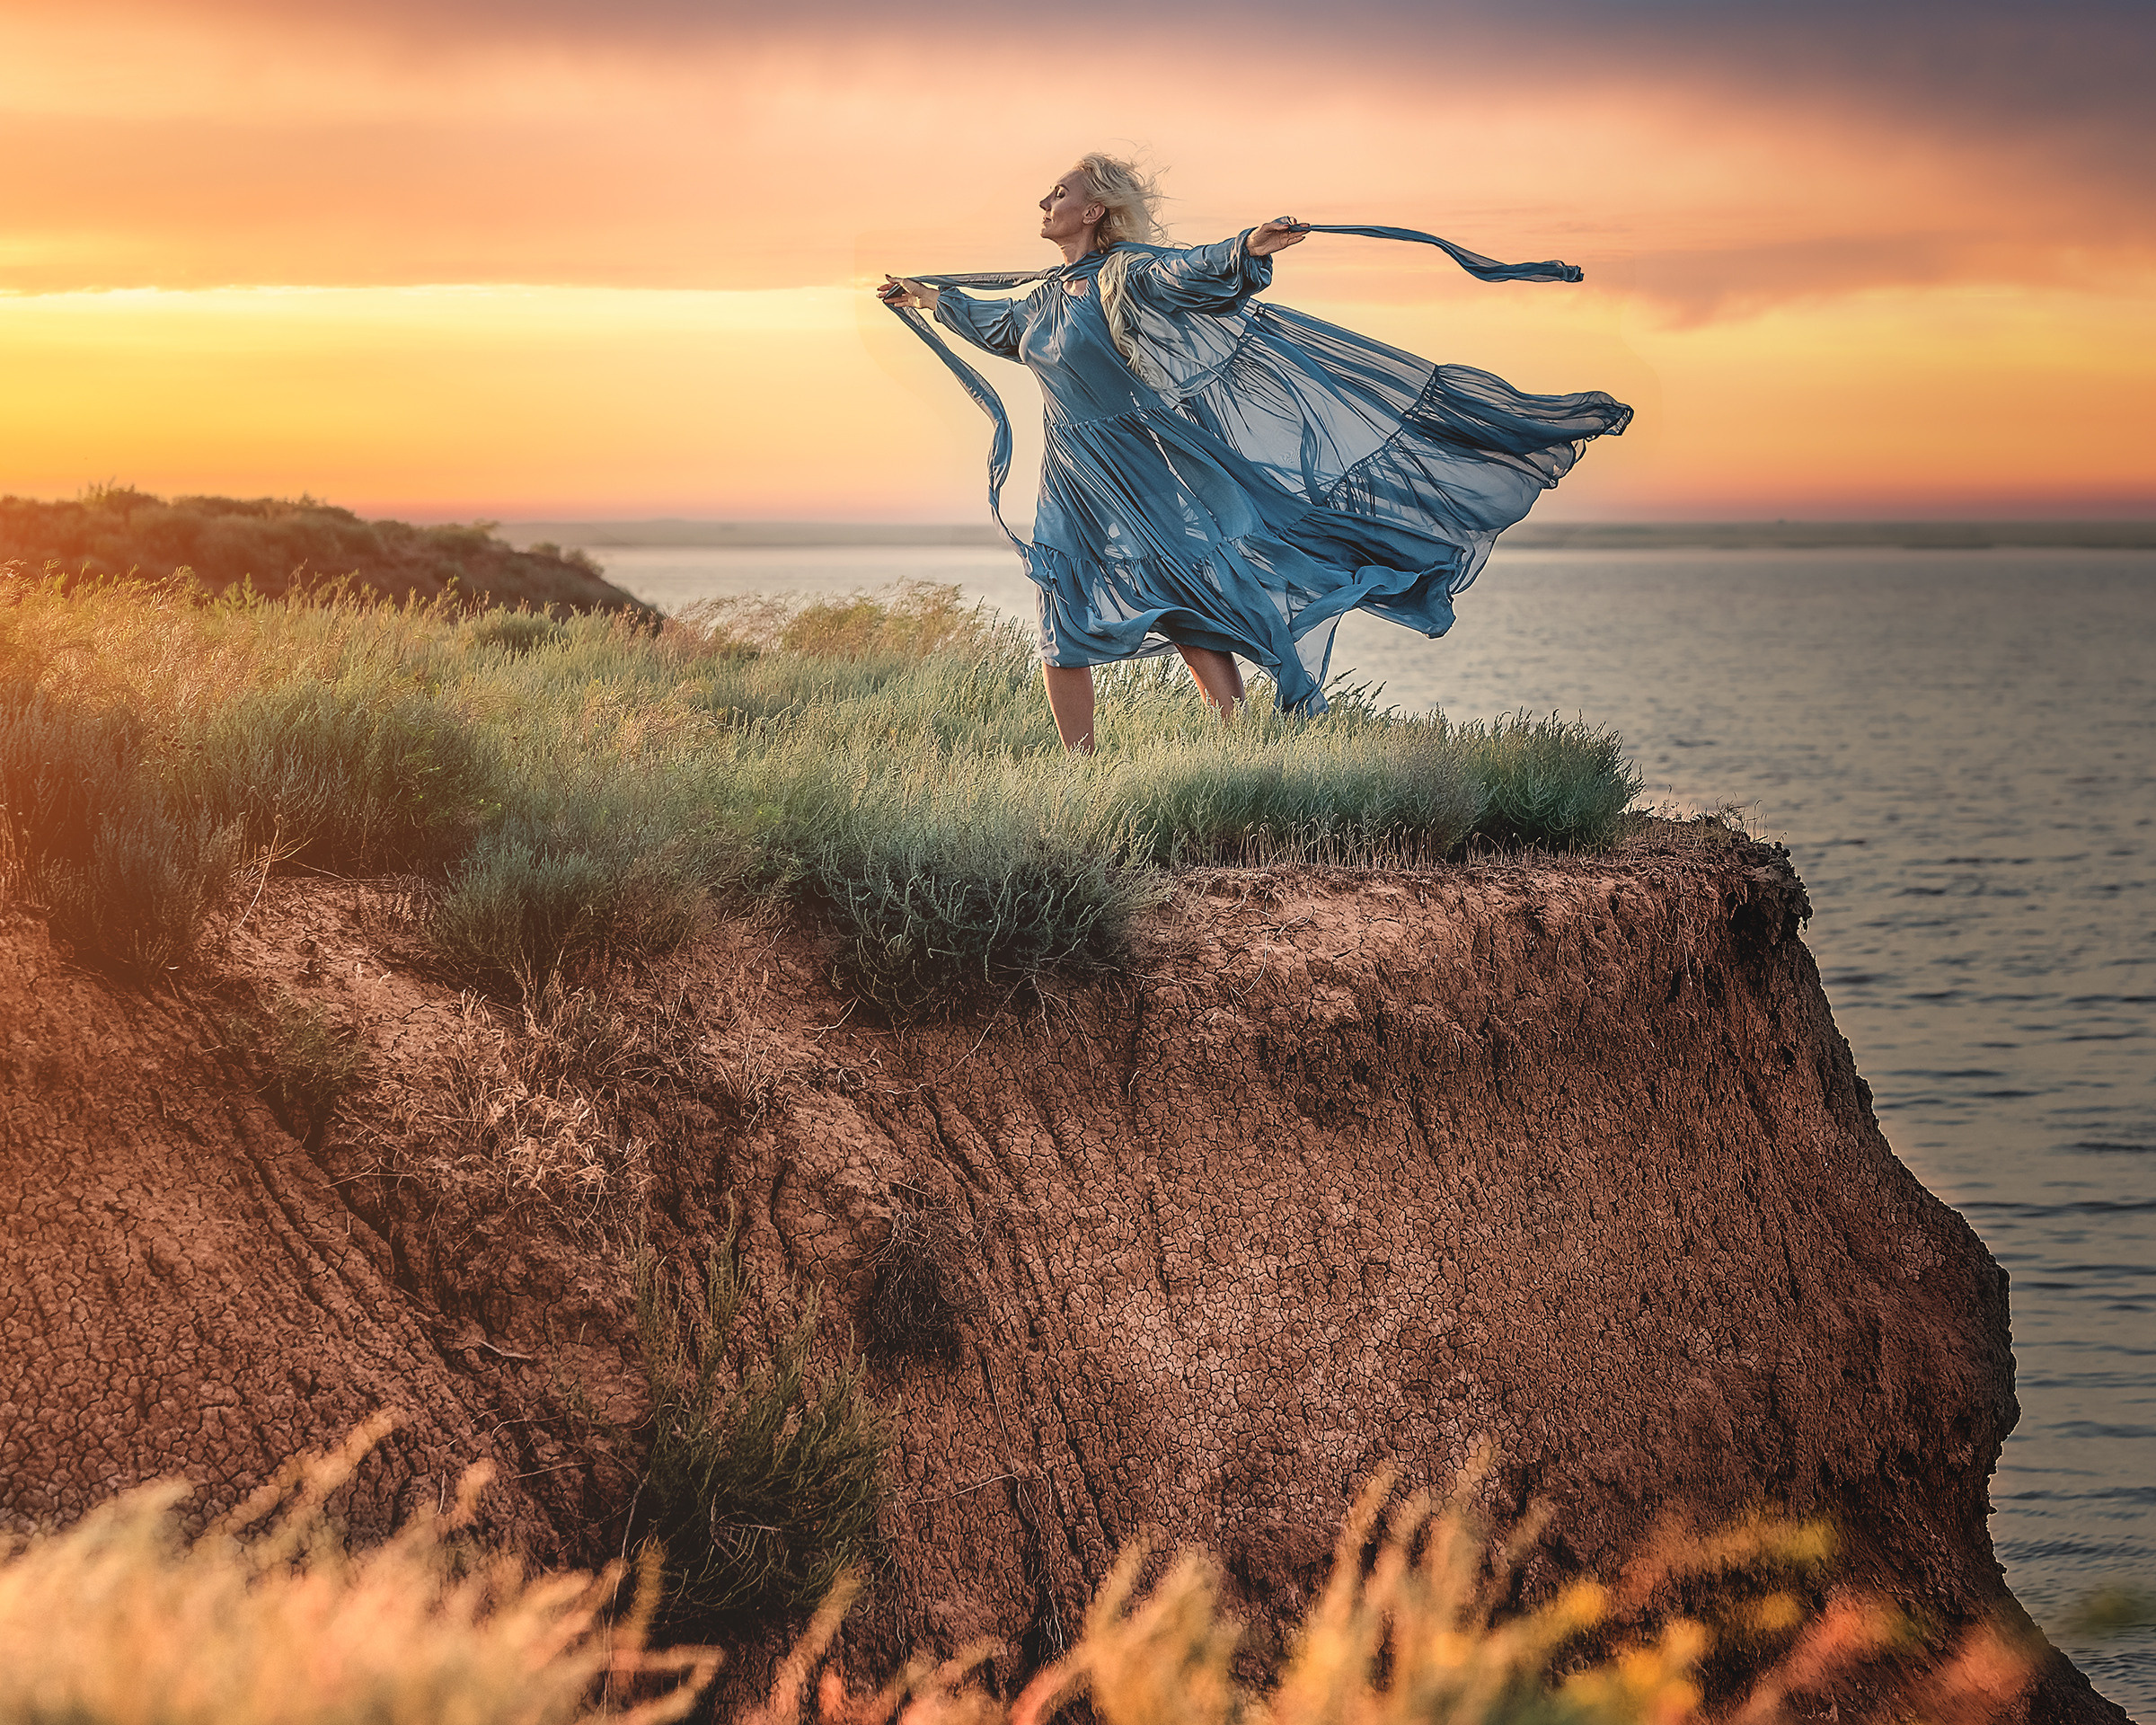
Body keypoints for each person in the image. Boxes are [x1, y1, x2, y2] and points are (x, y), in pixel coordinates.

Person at [878, 154, 1630, 751]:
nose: (1045, 203)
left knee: (1193, 606)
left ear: (1093, 209)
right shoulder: (1040, 299)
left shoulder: (1126, 274)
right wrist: (929, 299)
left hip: (1145, 468)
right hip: (1073, 476)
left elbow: (1186, 268)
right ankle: (1079, 773)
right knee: (1062, 610)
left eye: (1059, 192)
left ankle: (1236, 745)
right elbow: (995, 325)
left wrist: (1246, 247)